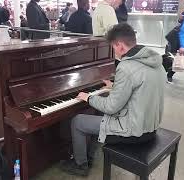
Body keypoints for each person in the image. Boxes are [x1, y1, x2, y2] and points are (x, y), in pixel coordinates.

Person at [59, 23, 165, 176]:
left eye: (113, 47)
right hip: (150, 126)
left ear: (120, 46)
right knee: (97, 115)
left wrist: (88, 97)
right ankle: (88, 155)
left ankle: (80, 164)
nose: (113, 51)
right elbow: (140, 87)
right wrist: (115, 86)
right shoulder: (155, 62)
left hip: (133, 131)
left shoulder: (126, 67)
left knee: (78, 121)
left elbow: (111, 107)